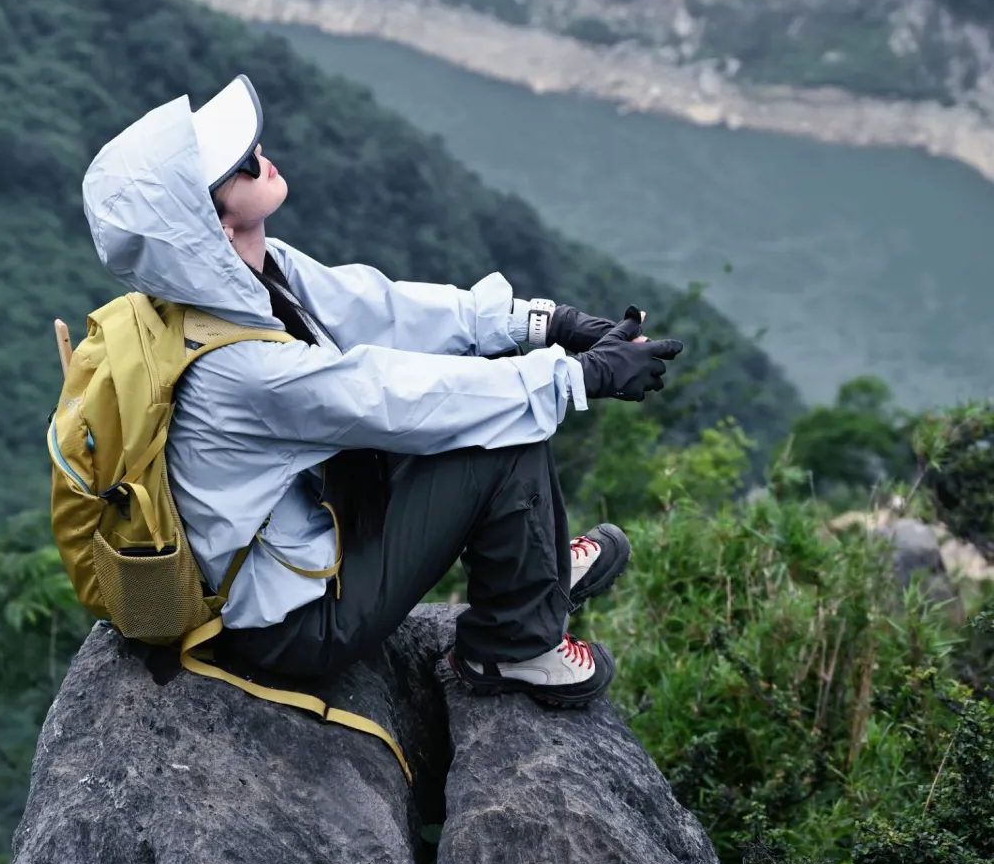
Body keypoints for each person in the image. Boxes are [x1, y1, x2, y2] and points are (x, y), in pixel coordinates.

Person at [83, 74, 683, 706]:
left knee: (488, 406)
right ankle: (513, 647)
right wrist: (583, 376)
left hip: (311, 519)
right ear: (216, 226)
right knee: (500, 433)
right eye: (242, 165)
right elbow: (402, 398)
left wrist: (545, 322)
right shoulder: (242, 369)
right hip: (297, 626)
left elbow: (384, 309)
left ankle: (538, 568)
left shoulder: (245, 278)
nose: (263, 155)